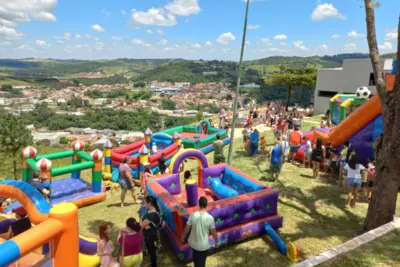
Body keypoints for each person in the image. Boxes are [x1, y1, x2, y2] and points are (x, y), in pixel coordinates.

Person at [181, 197, 218, 267]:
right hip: (203, 246)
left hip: (194, 244)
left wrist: (183, 236)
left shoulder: (193, 215)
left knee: (196, 260)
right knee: (201, 263)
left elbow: (187, 227)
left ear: (199, 204)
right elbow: (213, 231)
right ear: (206, 204)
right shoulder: (210, 218)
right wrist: (216, 240)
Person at [140, 196, 161, 267]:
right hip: (150, 233)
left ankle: (153, 264)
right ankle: (152, 262)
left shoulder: (151, 215)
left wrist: (140, 217)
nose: (144, 203)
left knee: (152, 251)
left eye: (145, 202)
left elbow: (141, 226)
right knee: (151, 250)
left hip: (150, 235)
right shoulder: (151, 210)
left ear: (150, 203)